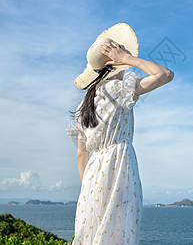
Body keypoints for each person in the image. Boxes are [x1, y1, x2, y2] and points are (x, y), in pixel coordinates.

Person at [66, 23, 174, 244]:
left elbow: (81, 155)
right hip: (117, 168)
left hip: (92, 176)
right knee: (118, 233)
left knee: (93, 234)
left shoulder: (82, 107)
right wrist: (128, 59)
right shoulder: (118, 90)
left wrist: (87, 187)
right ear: (115, 63)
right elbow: (165, 74)